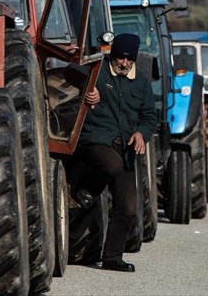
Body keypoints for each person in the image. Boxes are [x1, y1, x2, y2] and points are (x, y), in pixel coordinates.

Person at [67, 33, 156, 272]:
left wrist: (141, 134)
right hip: (95, 139)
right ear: (112, 55)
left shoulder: (142, 83)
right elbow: (72, 77)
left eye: (129, 59)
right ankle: (85, 190)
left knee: (128, 208)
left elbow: (149, 117)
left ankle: (112, 258)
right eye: (120, 58)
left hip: (124, 147)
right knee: (113, 166)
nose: (124, 63)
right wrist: (88, 91)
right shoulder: (98, 70)